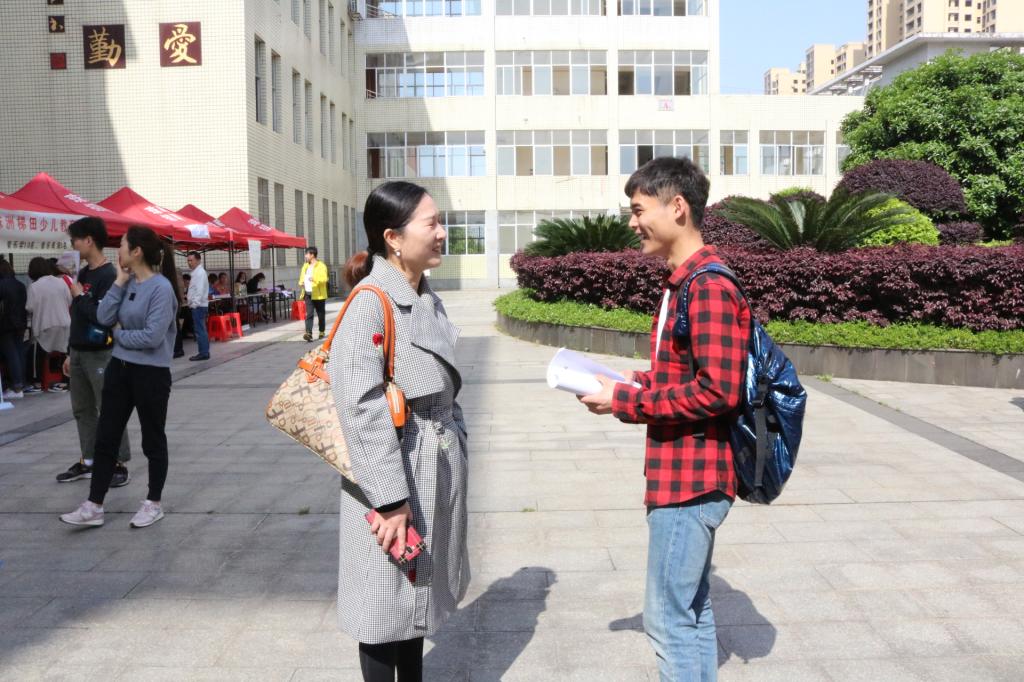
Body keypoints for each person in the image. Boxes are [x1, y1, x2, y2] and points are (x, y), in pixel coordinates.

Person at [580, 157, 752, 682]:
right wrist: (632, 383)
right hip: (683, 474)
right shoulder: (684, 282)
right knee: (691, 608)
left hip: (692, 480)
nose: (632, 223)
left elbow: (718, 390)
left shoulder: (707, 286)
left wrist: (626, 403)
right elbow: (684, 374)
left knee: (666, 617)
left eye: (639, 210)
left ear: (677, 207)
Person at [333, 181, 469, 682]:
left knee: (417, 595)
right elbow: (361, 407)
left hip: (432, 462)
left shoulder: (425, 297)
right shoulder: (370, 302)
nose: (442, 232)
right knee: (382, 605)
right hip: (391, 474)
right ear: (393, 237)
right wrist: (390, 500)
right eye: (431, 223)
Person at [60, 226, 180, 529]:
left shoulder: (161, 288)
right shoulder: (126, 282)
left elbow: (153, 337)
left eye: (123, 245)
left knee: (153, 439)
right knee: (106, 436)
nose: (119, 251)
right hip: (120, 368)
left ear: (136, 251)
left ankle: (153, 503)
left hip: (151, 374)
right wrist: (119, 281)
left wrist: (119, 336)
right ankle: (94, 505)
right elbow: (104, 317)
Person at [57, 217, 132, 484]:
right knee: (82, 409)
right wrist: (70, 351)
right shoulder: (83, 274)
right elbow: (78, 316)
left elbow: (104, 317)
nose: (73, 245)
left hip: (101, 352)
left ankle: (118, 462)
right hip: (79, 351)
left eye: (75, 240)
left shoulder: (109, 276)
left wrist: (80, 295)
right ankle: (88, 460)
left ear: (88, 240)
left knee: (109, 408)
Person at [24, 257, 72, 393]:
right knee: (66, 353)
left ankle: (37, 383)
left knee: (36, 353)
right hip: (64, 323)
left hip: (44, 326)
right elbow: (69, 300)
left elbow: (29, 307)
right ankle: (66, 382)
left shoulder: (34, 286)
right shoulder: (61, 282)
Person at [0, 257, 28, 400]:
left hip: (5, 324)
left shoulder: (1, 285)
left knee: (11, 354)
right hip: (20, 323)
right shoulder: (20, 284)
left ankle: (17, 386)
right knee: (18, 352)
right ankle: (21, 384)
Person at [298, 246, 328, 342]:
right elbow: (302, 277)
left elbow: (324, 279)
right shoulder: (305, 266)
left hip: (319, 295)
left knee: (321, 315)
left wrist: (314, 279)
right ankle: (309, 333)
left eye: (307, 254)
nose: (305, 256)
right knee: (309, 314)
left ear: (312, 255)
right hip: (307, 294)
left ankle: (321, 331)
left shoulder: (321, 266)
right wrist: (301, 282)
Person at [187, 252, 210, 362]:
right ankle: (204, 352)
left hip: (199, 306)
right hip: (198, 305)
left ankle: (203, 353)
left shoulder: (200, 273)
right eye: (188, 260)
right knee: (200, 329)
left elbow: (199, 290)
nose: (189, 263)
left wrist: (194, 304)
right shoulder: (196, 272)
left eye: (191, 260)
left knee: (200, 330)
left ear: (198, 260)